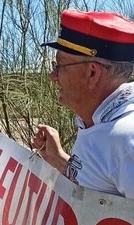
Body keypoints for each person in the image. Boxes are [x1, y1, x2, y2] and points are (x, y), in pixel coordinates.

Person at [32, 9, 134, 198]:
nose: (53, 77)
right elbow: (101, 182)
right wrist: (59, 159)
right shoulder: (100, 120)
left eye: (60, 66)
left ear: (92, 73)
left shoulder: (126, 139)